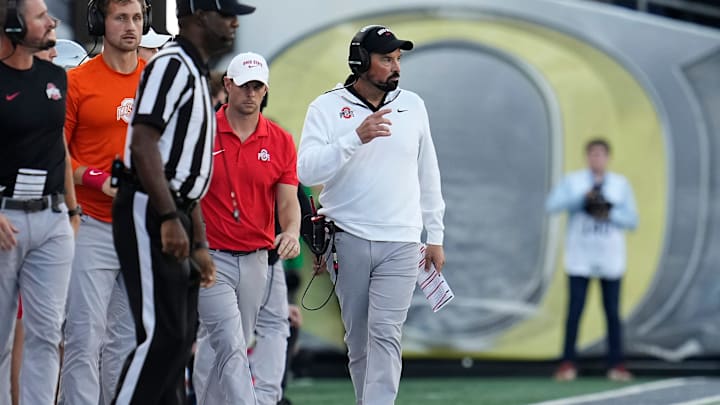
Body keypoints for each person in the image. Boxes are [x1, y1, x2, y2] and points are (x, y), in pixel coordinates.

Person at [111, 1, 255, 403]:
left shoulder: (196, 71)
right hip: (150, 205)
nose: (234, 21)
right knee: (163, 334)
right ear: (193, 16)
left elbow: (189, 174)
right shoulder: (172, 64)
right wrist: (169, 216)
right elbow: (143, 143)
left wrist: (199, 242)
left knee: (180, 339)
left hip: (177, 211)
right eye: (224, 12)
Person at [297, 25, 446, 404]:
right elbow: (306, 172)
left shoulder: (414, 105)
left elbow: (428, 171)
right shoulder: (326, 106)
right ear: (361, 62)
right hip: (347, 237)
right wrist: (353, 138)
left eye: (398, 59)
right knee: (359, 338)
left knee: (385, 331)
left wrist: (436, 234)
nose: (396, 67)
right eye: (386, 59)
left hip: (402, 239)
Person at [192, 51, 301, 405]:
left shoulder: (280, 140)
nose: (251, 93)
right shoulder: (202, 132)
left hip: (257, 260)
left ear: (265, 88)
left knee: (221, 341)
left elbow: (288, 202)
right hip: (212, 257)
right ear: (228, 85)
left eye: (257, 86)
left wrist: (291, 232)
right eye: (244, 86)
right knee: (230, 341)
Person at [58, 0, 148, 403]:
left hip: (140, 226)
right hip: (89, 224)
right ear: (99, 22)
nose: (131, 27)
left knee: (129, 339)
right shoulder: (77, 81)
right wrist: (93, 178)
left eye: (137, 18)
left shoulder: (156, 81)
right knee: (83, 335)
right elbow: (56, 152)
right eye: (120, 18)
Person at [0, 0, 81, 403]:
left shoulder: (55, 78)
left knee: (48, 333)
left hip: (51, 218)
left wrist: (72, 210)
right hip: (5, 217)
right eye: (39, 17)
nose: (51, 21)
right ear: (14, 27)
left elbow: (59, 147)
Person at [546, 138, 638, 382]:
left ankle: (617, 364)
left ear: (608, 158)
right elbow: (552, 205)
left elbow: (632, 221)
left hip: (609, 256)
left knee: (612, 312)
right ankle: (567, 363)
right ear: (587, 157)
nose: (596, 159)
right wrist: (581, 200)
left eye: (601, 154)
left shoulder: (620, 185)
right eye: (592, 154)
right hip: (580, 255)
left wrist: (608, 211)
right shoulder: (574, 182)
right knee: (575, 310)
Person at [250, 185, 311, 405]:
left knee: (282, 322)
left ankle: (269, 398)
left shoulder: (281, 155)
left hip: (269, 258)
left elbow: (295, 199)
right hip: (227, 256)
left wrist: (312, 244)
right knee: (222, 334)